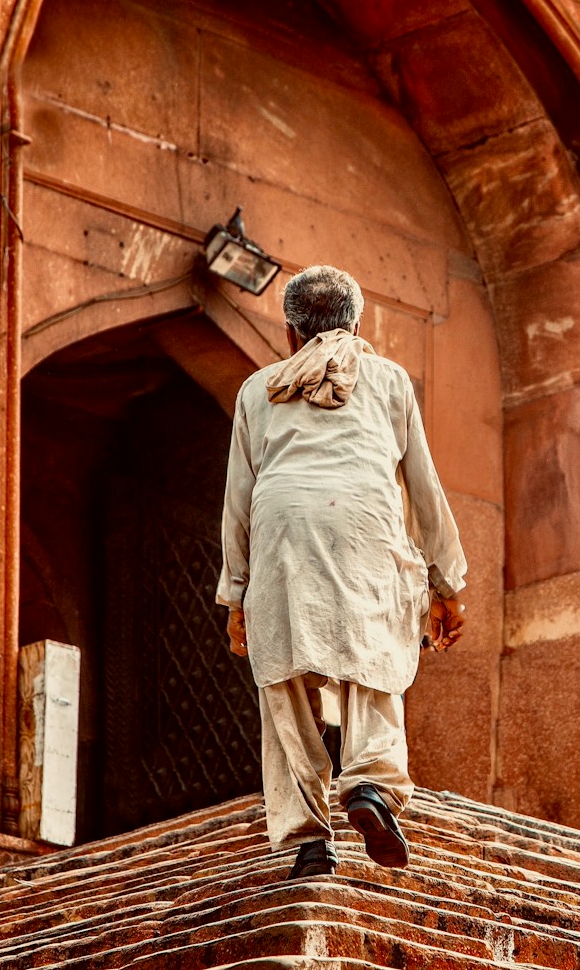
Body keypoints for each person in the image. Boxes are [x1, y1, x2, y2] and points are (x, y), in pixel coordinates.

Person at [217, 264, 468, 880]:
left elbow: (239, 500)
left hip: (282, 532)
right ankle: (371, 787)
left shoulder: (258, 389)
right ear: (357, 326)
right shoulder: (388, 381)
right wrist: (448, 582)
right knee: (374, 659)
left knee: (284, 685)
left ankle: (307, 840)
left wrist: (237, 598)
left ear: (290, 335)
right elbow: (424, 488)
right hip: (364, 524)